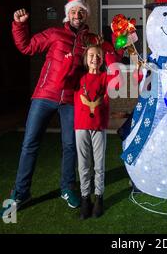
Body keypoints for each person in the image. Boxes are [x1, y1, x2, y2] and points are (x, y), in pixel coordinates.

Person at [0, 0, 98, 216]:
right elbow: (26, 47)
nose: (77, 15)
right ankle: (21, 192)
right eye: (73, 11)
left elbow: (103, 56)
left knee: (70, 146)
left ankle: (67, 188)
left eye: (81, 12)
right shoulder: (55, 34)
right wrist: (20, 25)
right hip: (44, 96)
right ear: (68, 14)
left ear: (86, 15)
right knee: (30, 144)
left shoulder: (89, 41)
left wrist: (122, 38)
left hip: (70, 101)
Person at [57, 40, 122, 219]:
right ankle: (86, 199)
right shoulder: (79, 78)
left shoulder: (104, 77)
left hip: (99, 127)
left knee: (99, 166)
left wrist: (110, 58)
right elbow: (61, 83)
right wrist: (67, 63)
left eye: (98, 56)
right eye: (92, 55)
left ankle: (99, 198)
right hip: (81, 127)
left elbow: (117, 85)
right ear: (86, 58)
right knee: (83, 166)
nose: (95, 58)